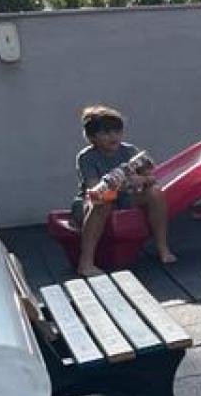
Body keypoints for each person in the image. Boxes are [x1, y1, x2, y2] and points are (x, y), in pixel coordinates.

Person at [72, 105, 174, 276]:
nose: (114, 137)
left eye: (117, 132)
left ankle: (163, 248)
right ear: (92, 138)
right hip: (90, 202)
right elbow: (93, 190)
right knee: (103, 201)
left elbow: (152, 177)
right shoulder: (87, 157)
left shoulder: (129, 151)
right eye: (106, 133)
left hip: (124, 197)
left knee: (155, 193)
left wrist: (140, 180)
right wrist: (110, 183)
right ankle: (86, 263)